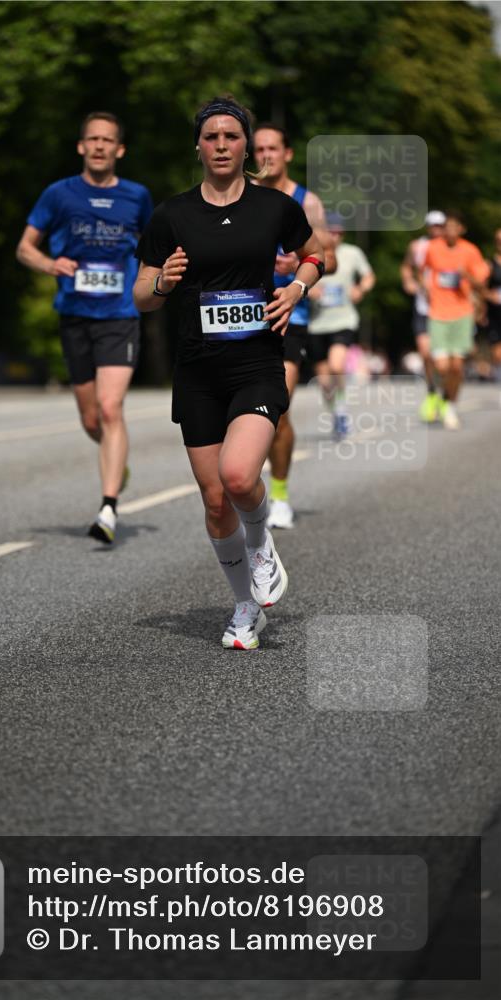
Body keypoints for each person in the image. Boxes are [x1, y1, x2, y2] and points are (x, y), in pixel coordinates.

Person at [133, 96, 324, 650]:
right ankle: (244, 607)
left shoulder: (274, 207)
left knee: (240, 477)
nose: (221, 145)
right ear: (198, 147)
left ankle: (262, 541)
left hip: (257, 362)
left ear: (246, 147)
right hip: (197, 370)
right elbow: (142, 295)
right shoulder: (172, 214)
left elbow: (315, 255)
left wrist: (296, 286)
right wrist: (165, 281)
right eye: (211, 137)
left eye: (231, 137)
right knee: (215, 500)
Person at [17, 112, 153, 543]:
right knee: (92, 417)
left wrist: (153, 284)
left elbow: (154, 249)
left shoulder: (137, 197)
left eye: (107, 140)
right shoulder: (58, 195)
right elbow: (25, 248)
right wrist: (49, 263)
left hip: (119, 315)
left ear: (119, 150)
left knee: (112, 409)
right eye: (92, 139)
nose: (98, 146)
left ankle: (108, 507)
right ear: (81, 146)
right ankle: (118, 462)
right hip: (75, 314)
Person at [253, 124, 336, 529]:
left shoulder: (307, 201)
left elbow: (329, 259)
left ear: (287, 154)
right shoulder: (238, 196)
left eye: (272, 148)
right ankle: (245, 488)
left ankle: (280, 495)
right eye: (258, 149)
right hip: (243, 315)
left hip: (290, 316)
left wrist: (297, 267)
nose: (265, 155)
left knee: (276, 409)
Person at [307, 214, 375, 437]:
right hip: (316, 324)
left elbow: (369, 276)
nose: (334, 236)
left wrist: (360, 289)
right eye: (330, 232)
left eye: (338, 232)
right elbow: (293, 278)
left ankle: (343, 408)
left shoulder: (352, 253)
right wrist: (307, 290)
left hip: (343, 320)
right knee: (324, 382)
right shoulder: (309, 252)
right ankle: (336, 412)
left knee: (337, 367)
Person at [421, 211, 489, 430]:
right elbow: (422, 271)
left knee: (457, 367)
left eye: (453, 227)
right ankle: (443, 395)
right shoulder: (433, 248)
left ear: (461, 229)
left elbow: (480, 286)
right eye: (446, 227)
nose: (449, 231)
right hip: (437, 313)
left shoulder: (471, 251)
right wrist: (424, 289)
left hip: (462, 313)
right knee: (442, 367)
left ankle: (449, 406)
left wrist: (466, 276)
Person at [401, 210, 446, 421]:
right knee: (426, 353)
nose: (436, 229)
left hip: (446, 310)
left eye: (440, 225)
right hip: (423, 307)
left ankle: (444, 396)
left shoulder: (451, 248)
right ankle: (431, 392)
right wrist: (408, 282)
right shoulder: (417, 246)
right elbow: (406, 268)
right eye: (433, 225)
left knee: (444, 360)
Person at [481, 226, 501, 383]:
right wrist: (489, 296)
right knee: (497, 353)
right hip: (495, 314)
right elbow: (480, 289)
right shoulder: (489, 265)